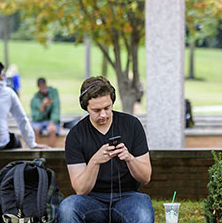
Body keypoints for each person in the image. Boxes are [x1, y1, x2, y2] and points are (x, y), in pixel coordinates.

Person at [58, 76, 154, 223]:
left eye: (107, 108)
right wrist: (95, 162)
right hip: (91, 199)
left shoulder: (132, 125)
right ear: (85, 107)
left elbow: (146, 177)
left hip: (129, 196)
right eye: (96, 110)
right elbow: (81, 190)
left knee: (143, 214)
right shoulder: (76, 135)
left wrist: (130, 158)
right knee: (68, 208)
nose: (103, 114)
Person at [0, 60, 44, 150]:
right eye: (3, 74)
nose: (4, 77)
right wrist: (32, 143)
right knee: (16, 142)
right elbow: (22, 119)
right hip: (0, 142)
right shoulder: (8, 93)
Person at [31, 77, 61, 146]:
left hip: (51, 120)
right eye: (41, 86)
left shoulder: (53, 93)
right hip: (39, 121)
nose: (43, 87)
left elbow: (56, 109)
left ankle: (50, 150)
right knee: (35, 129)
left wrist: (52, 121)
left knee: (52, 129)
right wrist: (43, 106)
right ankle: (37, 150)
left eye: (44, 85)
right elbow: (35, 117)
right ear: (38, 86)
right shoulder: (35, 99)